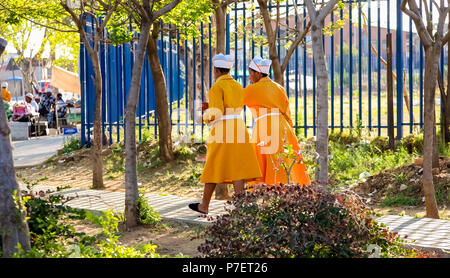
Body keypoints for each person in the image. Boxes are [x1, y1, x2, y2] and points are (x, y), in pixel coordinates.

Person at [188, 53, 262, 214]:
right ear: (229, 69)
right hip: (239, 127)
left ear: (215, 70)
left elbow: (217, 112)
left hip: (223, 129)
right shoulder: (237, 85)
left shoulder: (216, 87)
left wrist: (204, 117)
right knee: (237, 167)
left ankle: (204, 206)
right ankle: (241, 207)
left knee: (214, 164)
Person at [243, 56, 310, 186]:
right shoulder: (279, 88)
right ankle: (286, 193)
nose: (250, 77)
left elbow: (233, 100)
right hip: (283, 126)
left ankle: (267, 193)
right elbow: (287, 112)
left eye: (251, 73)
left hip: (266, 128)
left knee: (266, 162)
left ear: (258, 73)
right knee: (283, 161)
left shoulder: (252, 89)